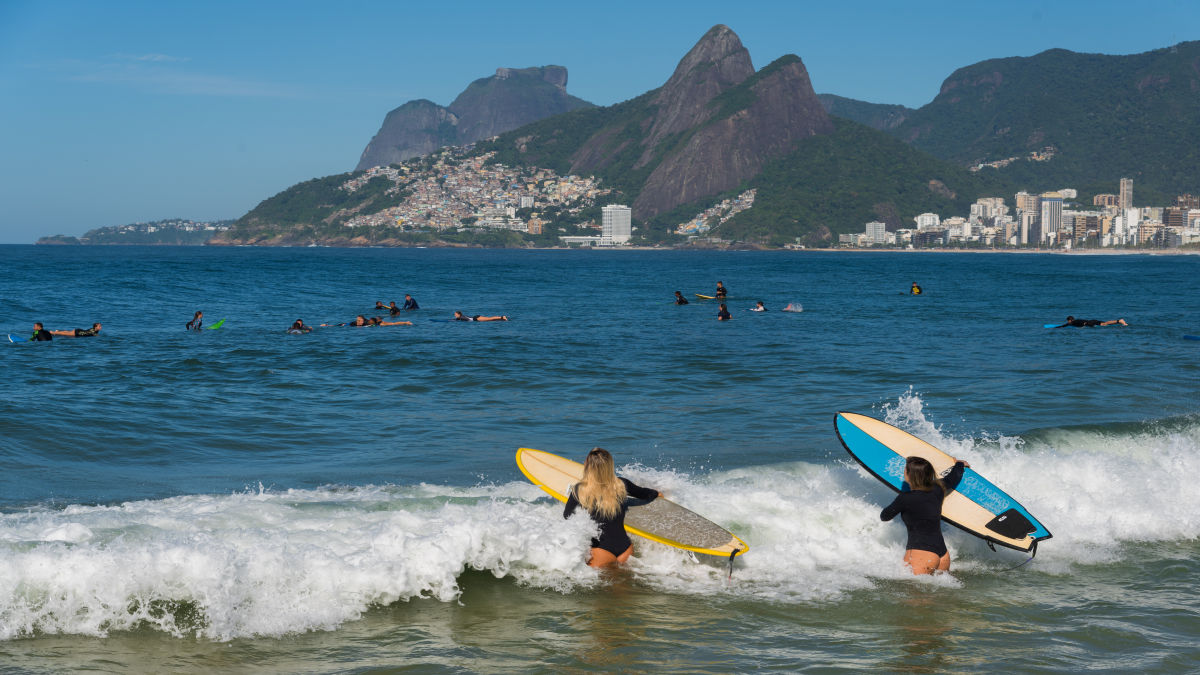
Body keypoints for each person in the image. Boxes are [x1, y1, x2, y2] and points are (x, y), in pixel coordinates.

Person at [563, 448, 661, 568]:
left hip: (600, 549)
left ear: (588, 466)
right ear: (609, 465)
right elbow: (645, 493)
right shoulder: (622, 484)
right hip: (625, 547)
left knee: (602, 580)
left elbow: (568, 516)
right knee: (624, 579)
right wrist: (657, 493)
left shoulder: (579, 489)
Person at [880, 455, 969, 575]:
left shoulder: (905, 498)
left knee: (914, 587)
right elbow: (953, 478)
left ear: (909, 474)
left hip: (922, 555)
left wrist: (900, 500)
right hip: (943, 554)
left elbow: (884, 516)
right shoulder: (938, 488)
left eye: (905, 469)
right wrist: (960, 464)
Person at [1054, 315, 1128, 328]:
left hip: (1089, 323)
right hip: (1092, 321)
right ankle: (1119, 321)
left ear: (1070, 320)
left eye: (1068, 321)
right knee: (1106, 323)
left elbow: (1063, 326)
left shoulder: (1072, 323)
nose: (1068, 322)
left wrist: (1055, 327)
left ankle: (1119, 321)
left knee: (1105, 324)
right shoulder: (1076, 320)